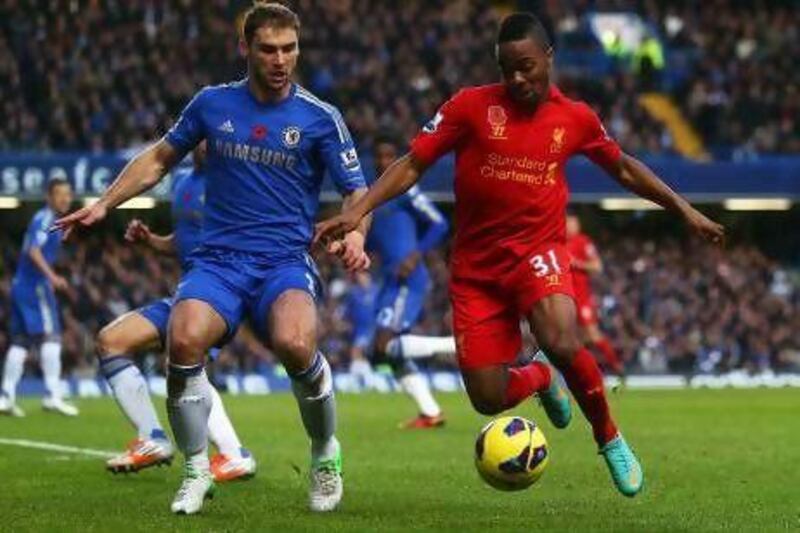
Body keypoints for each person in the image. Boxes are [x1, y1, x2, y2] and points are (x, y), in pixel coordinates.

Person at [315, 12, 725, 498]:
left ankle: (609, 437)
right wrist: (358, 210)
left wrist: (683, 209)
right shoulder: (470, 107)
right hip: (476, 271)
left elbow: (626, 170)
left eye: (526, 66)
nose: (517, 78)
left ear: (549, 58)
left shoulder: (574, 118)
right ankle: (537, 376)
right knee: (488, 399)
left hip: (538, 252)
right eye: (507, 68)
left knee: (561, 336)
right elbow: (412, 164)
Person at [55, 3, 369, 515]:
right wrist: (104, 203)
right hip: (219, 261)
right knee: (182, 340)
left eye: (289, 48)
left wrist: (356, 235)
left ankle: (324, 452)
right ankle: (198, 468)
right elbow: (159, 157)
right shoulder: (211, 104)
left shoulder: (320, 118)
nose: (280, 60)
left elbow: (358, 192)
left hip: (282, 261)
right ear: (244, 48)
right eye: (268, 49)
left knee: (295, 342)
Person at [97, 141, 256, 482]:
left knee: (182, 366)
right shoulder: (183, 183)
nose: (204, 145)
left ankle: (233, 454)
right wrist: (151, 240)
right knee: (111, 341)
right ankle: (154, 438)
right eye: (199, 138)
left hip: (220, 294)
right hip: (186, 294)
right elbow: (182, 241)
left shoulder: (233, 184)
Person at [367, 134, 455, 429]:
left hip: (409, 277)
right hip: (390, 280)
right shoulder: (372, 195)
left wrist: (415, 255)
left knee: (385, 343)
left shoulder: (406, 190)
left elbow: (439, 223)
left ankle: (456, 345)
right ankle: (430, 412)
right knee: (384, 352)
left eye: (389, 155)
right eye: (379, 156)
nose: (383, 161)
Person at [0, 178, 78, 418]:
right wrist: (52, 277)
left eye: (68, 194)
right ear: (49, 197)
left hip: (21, 285)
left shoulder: (49, 220)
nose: (65, 198)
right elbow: (33, 250)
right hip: (35, 287)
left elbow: (41, 247)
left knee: (21, 342)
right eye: (60, 194)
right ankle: (53, 395)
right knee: (51, 336)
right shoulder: (45, 218)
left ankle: (6, 396)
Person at [565, 213, 625, 376]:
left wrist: (576, 263)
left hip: (581, 297)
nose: (571, 226)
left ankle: (616, 366)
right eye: (568, 223)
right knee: (572, 338)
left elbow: (597, 266)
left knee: (591, 334)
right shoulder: (557, 242)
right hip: (564, 297)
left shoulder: (583, 242)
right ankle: (579, 372)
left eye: (574, 223)